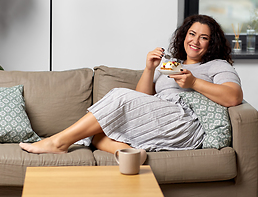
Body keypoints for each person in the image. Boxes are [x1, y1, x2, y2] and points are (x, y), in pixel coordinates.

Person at [19, 14, 243, 158]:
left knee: (118, 96)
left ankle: (58, 142)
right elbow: (142, 100)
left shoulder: (217, 65)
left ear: (211, 43)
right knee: (99, 133)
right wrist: (149, 69)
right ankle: (129, 153)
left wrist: (194, 82)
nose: (195, 41)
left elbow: (233, 97)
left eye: (203, 38)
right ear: (184, 36)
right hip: (162, 116)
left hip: (185, 123)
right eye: (192, 34)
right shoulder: (173, 65)